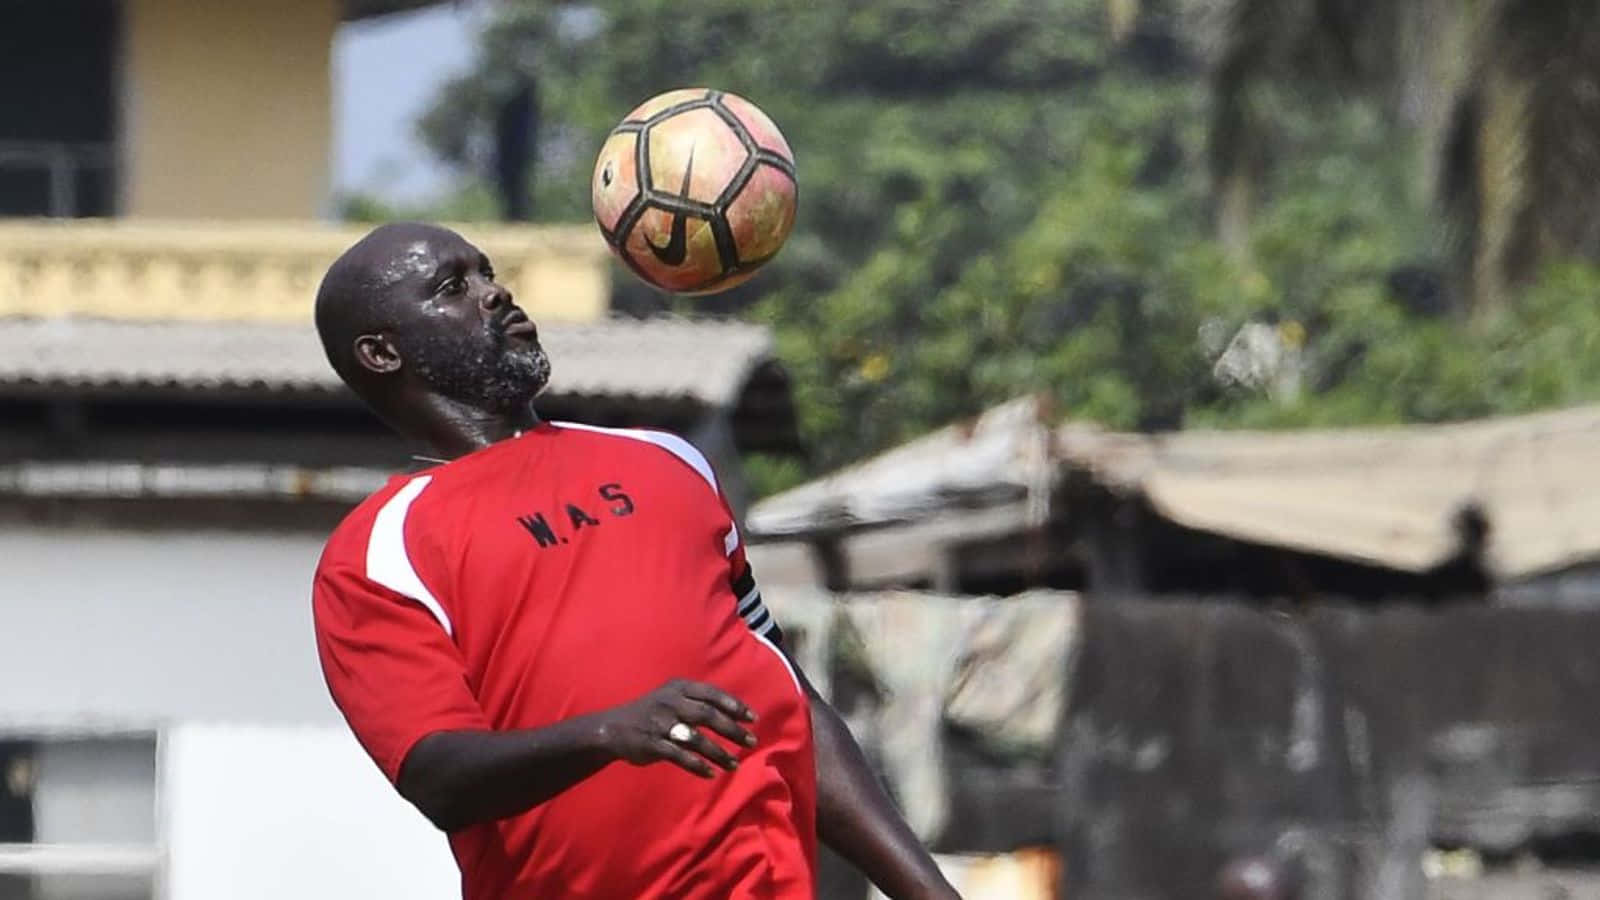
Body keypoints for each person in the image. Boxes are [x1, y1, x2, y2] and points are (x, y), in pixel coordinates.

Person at [310, 222, 960, 900]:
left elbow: (787, 699)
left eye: (487, 272)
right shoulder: (378, 552)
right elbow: (438, 777)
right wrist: (603, 733)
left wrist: (927, 892)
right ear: (382, 353)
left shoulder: (667, 461)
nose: (495, 294)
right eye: (453, 287)